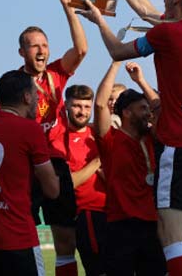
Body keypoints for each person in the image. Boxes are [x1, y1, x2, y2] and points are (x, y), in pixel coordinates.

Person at [80, 0, 182, 276]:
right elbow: (146, 12)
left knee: (170, 233)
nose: (162, 1)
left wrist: (99, 20)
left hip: (179, 147)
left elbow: (117, 51)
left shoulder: (167, 35)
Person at [17, 0, 88, 276]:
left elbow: (81, 50)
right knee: (24, 234)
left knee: (66, 240)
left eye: (44, 45)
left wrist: (68, 7)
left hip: (56, 164)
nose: (41, 50)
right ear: (22, 52)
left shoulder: (57, 73)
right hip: (26, 167)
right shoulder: (12, 84)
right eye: (34, 46)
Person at [0, 70, 59, 276]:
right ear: (26, 97)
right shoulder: (29, 129)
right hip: (17, 236)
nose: (37, 100)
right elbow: (52, 190)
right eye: (35, 95)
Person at [93, 60, 167, 275]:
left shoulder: (152, 137)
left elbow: (161, 109)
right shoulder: (111, 140)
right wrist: (116, 62)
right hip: (121, 225)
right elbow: (100, 105)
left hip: (152, 224)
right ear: (126, 113)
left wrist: (141, 81)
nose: (148, 113)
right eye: (142, 108)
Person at [63, 84, 107, 276]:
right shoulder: (60, 139)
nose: (82, 112)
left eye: (87, 107)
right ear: (66, 105)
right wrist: (97, 162)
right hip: (90, 213)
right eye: (77, 106)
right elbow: (68, 183)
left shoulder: (99, 133)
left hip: (116, 212)